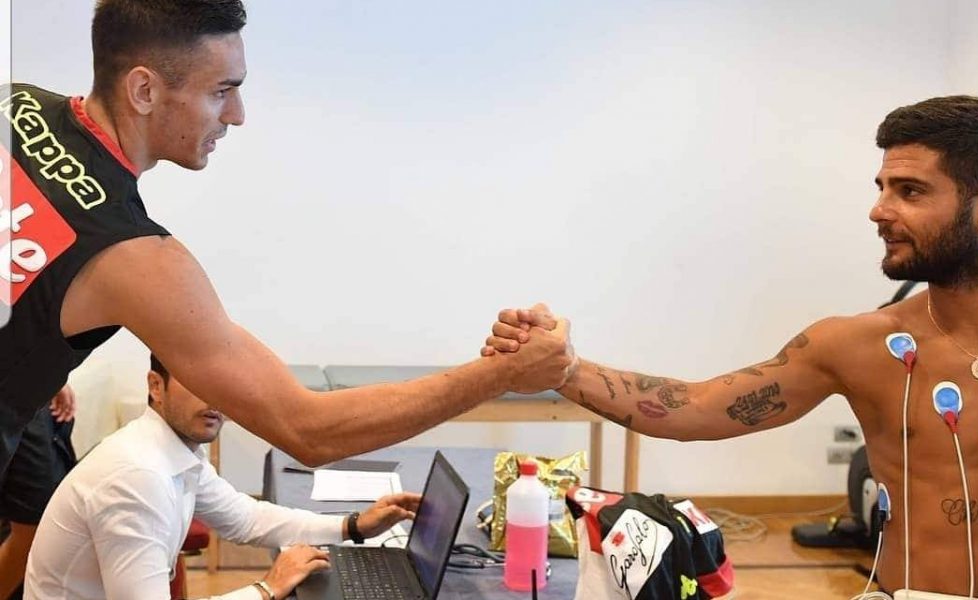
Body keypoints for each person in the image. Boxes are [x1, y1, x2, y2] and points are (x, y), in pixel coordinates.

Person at [1, 0, 574, 591]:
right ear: (144, 90)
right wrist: (503, 374)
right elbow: (308, 429)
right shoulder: (130, 255)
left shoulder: (16, 103)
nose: (238, 114)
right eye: (222, 91)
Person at [483, 96, 978, 598]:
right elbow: (696, 407)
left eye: (910, 191)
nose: (878, 210)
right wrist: (564, 369)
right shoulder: (859, 344)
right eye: (882, 188)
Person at [24, 353, 423, 600]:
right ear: (156, 387)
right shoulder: (136, 477)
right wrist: (267, 588)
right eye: (201, 385)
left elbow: (246, 518)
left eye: (226, 389)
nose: (216, 401)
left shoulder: (173, 449)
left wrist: (353, 525)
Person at [0, 386, 76, 600]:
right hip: (16, 393)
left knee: (39, 520)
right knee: (34, 524)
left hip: (27, 392)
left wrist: (50, 379)